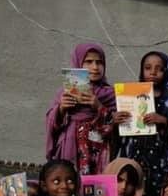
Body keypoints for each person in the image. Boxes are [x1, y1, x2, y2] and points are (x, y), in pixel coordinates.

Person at [117, 51, 168, 196]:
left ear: (167, 72)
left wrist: (164, 121)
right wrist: (117, 120)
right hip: (135, 157)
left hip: (162, 161)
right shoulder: (130, 97)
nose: (153, 72)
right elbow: (120, 136)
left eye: (159, 68)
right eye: (148, 68)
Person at [45, 43, 116, 175]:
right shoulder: (64, 93)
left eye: (99, 62)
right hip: (70, 146)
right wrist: (61, 109)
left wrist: (99, 107)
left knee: (96, 189)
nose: (95, 67)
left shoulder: (111, 94)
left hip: (98, 148)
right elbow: (51, 123)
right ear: (78, 63)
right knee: (69, 182)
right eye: (88, 62)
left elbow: (119, 125)